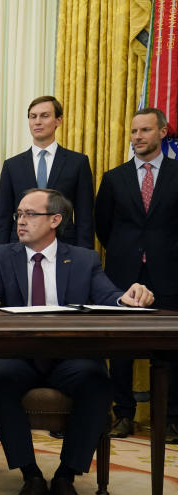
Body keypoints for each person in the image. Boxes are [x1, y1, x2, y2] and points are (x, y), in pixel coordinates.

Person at [0, 188, 154, 495]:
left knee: (96, 380)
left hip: (70, 357)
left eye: (30, 214)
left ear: (55, 220)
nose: (20, 222)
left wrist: (129, 298)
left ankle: (66, 477)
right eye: (19, 214)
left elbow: (108, 295)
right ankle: (31, 476)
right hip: (20, 356)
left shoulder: (83, 259)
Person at [95, 107, 178, 442]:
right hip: (123, 275)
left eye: (145, 130)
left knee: (172, 351)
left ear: (162, 132)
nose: (138, 137)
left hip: (170, 273)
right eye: (134, 132)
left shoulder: (176, 173)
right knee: (121, 350)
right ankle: (124, 415)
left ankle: (170, 419)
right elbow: (103, 226)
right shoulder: (114, 178)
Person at [0, 96, 95, 248]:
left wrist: (85, 257)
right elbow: (3, 218)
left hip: (64, 247)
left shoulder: (78, 163)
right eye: (33, 117)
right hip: (20, 247)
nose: (38, 121)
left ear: (58, 120)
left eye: (45, 116)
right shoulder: (12, 165)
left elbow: (85, 217)